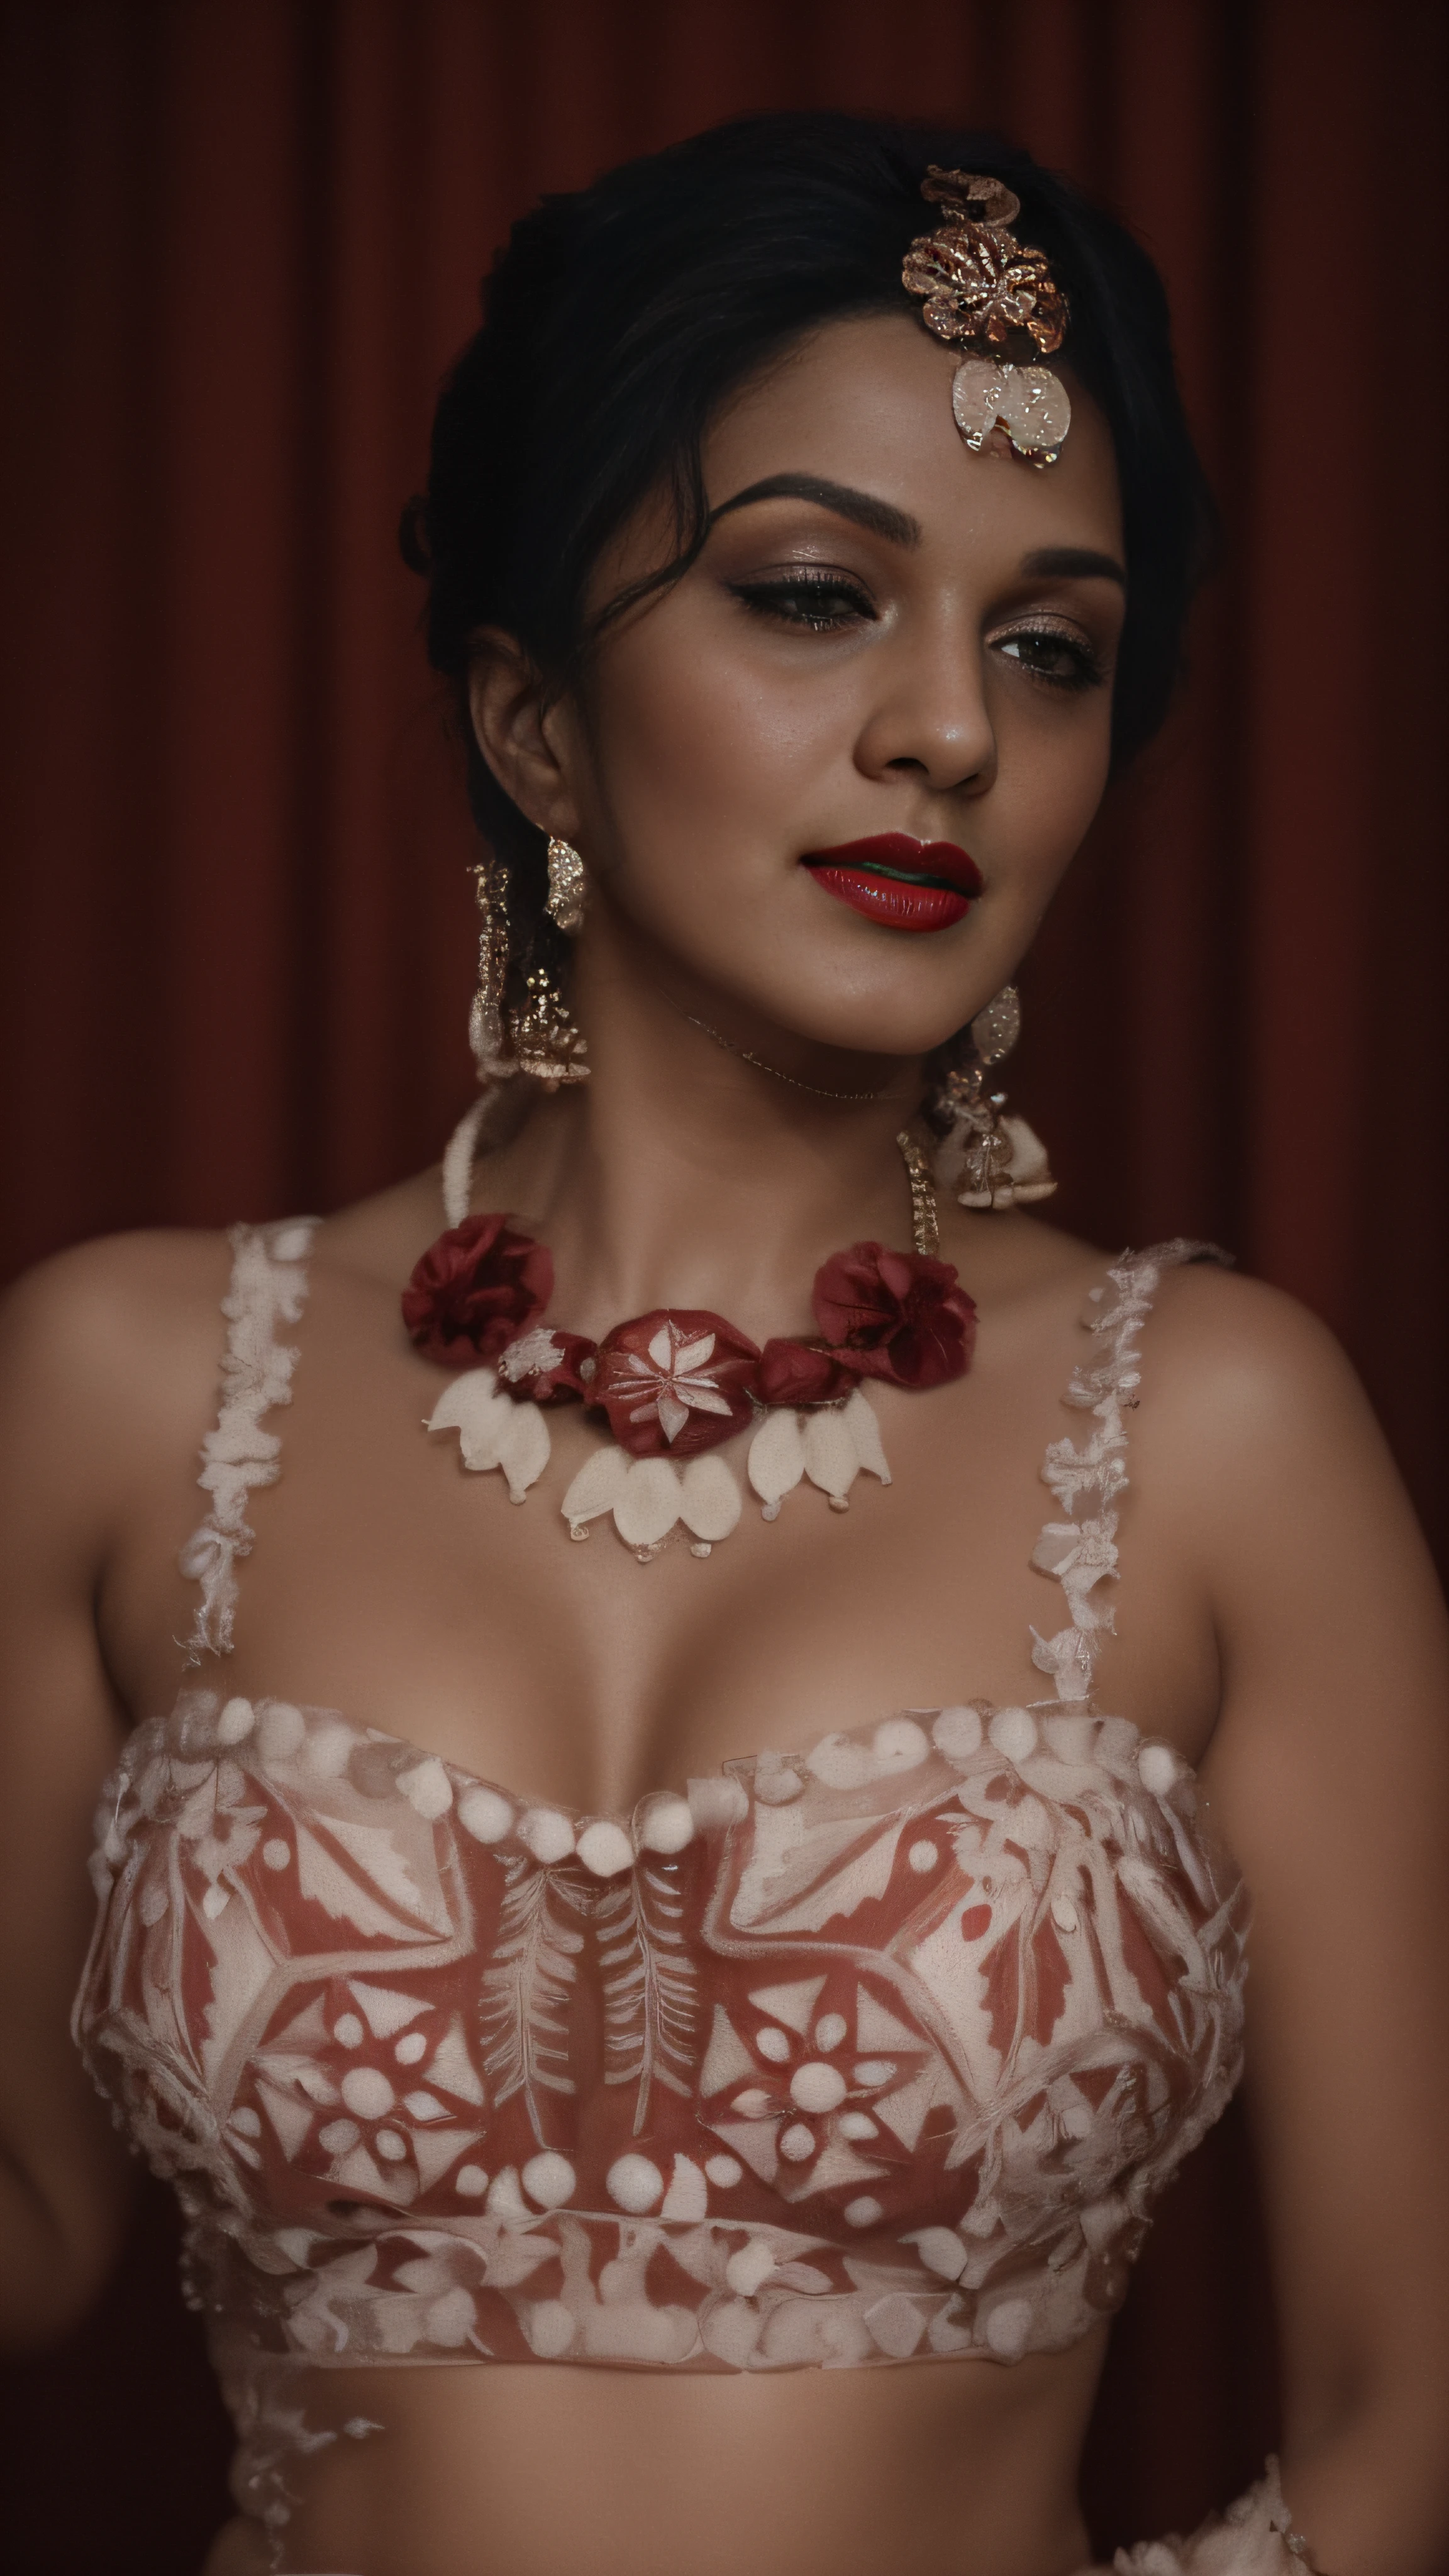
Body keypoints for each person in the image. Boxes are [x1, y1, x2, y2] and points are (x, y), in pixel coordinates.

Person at [1, 112, 1446, 2576]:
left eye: (1050, 646)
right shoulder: (124, 1390)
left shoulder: (1222, 1428)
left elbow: (1416, 2405)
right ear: (536, 723)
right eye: (811, 596)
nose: (948, 737)